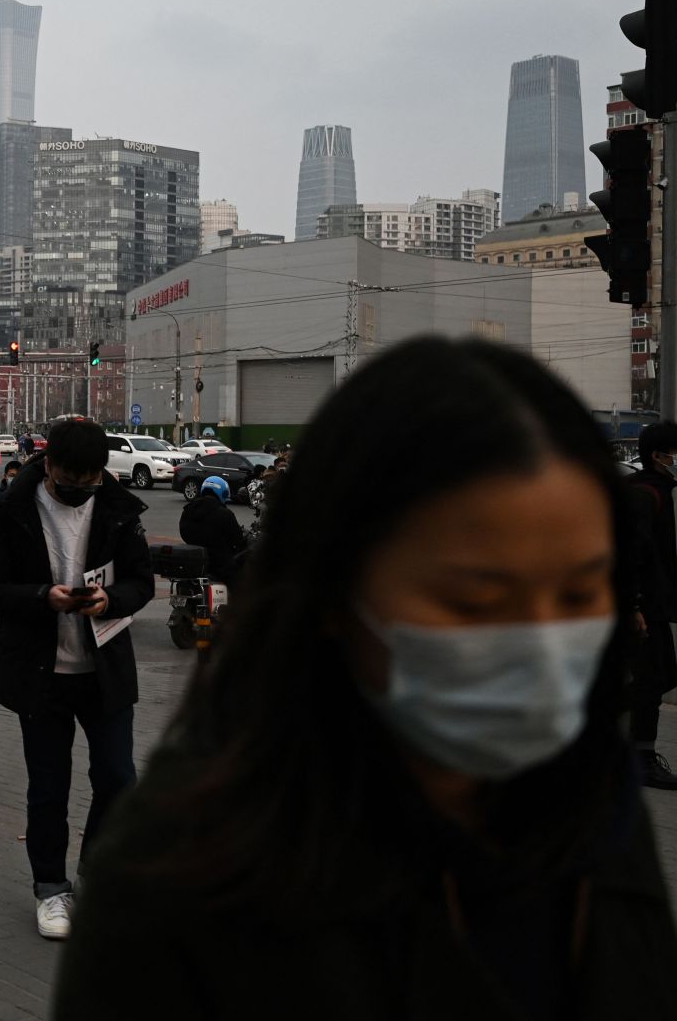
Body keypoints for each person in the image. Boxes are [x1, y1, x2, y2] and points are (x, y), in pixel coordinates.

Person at [52, 337, 677, 1020]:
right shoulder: (174, 880)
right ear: (332, 593)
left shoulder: (597, 806)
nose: (541, 643)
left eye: (580, 592)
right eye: (474, 599)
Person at [0, 419, 155, 941]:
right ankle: (51, 890)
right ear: (47, 464)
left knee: (120, 779)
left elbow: (141, 581)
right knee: (49, 786)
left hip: (104, 671)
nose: (80, 490)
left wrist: (110, 600)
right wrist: (42, 598)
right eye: (70, 480)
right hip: (41, 673)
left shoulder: (119, 508)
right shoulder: (11, 507)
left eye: (90, 480)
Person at [625, 422, 677, 788]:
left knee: (658, 677)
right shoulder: (645, 495)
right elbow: (629, 555)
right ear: (659, 455)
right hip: (640, 609)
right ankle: (640, 759)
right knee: (650, 680)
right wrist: (634, 605)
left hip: (652, 605)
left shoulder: (656, 491)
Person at [178, 475, 247, 589]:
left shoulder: (188, 510)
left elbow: (184, 533)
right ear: (221, 492)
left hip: (195, 561)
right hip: (219, 563)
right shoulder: (224, 513)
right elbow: (237, 539)